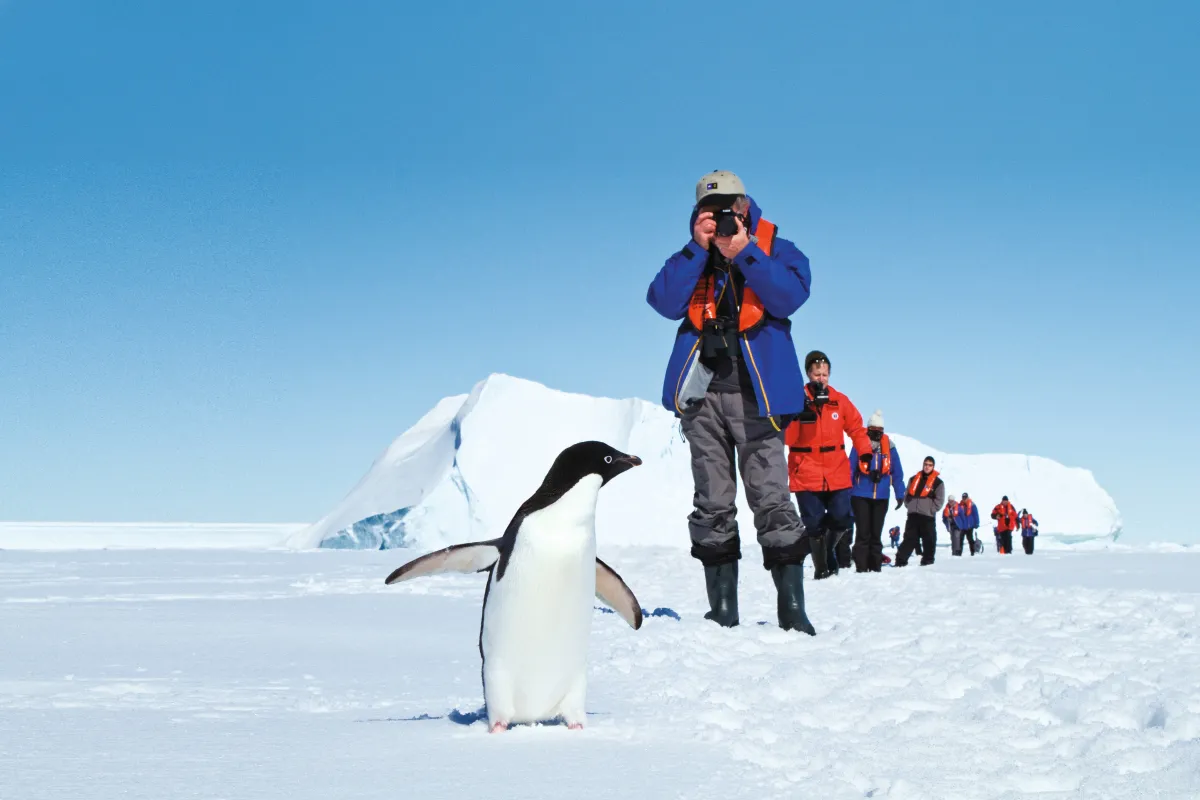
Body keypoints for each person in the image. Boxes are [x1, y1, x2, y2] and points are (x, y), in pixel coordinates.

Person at [646, 169, 814, 633]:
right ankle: (723, 611)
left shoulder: (776, 247)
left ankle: (792, 610)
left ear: (744, 205)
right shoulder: (693, 256)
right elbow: (662, 301)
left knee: (773, 500)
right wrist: (697, 249)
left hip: (759, 397)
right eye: (709, 210)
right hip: (703, 398)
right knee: (712, 502)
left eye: (727, 207)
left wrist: (745, 252)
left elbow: (789, 297)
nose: (720, 217)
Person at [783, 350, 873, 579]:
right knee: (813, 523)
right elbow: (788, 439)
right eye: (817, 374)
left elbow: (856, 428)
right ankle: (822, 568)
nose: (821, 379)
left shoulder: (839, 401)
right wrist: (797, 415)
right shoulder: (795, 399)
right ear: (808, 374)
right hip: (805, 470)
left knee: (842, 517)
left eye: (824, 374)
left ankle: (827, 553)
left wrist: (865, 453)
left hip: (836, 470)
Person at [848, 409, 905, 572]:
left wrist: (900, 493)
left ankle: (875, 567)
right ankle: (861, 567)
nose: (877, 433)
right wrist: (846, 494)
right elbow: (850, 469)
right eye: (873, 430)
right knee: (863, 533)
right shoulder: (859, 445)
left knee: (876, 533)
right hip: (860, 495)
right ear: (868, 429)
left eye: (880, 430)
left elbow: (897, 472)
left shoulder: (890, 447)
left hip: (881, 496)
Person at [895, 456, 945, 567]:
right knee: (909, 539)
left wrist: (931, 509)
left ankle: (928, 561)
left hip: (927, 515)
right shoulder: (913, 479)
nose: (927, 467)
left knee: (929, 540)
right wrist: (909, 506)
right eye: (925, 464)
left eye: (930, 465)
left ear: (933, 467)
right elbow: (907, 495)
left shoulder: (938, 483)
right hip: (913, 514)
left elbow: (940, 500)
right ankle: (900, 561)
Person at [953, 492, 981, 556]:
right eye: (963, 497)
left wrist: (976, 523)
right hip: (962, 526)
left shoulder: (972, 505)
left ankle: (973, 552)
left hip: (969, 526)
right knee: (960, 540)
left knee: (970, 539)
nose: (964, 499)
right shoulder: (959, 506)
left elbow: (976, 515)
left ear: (967, 498)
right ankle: (959, 553)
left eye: (965, 497)